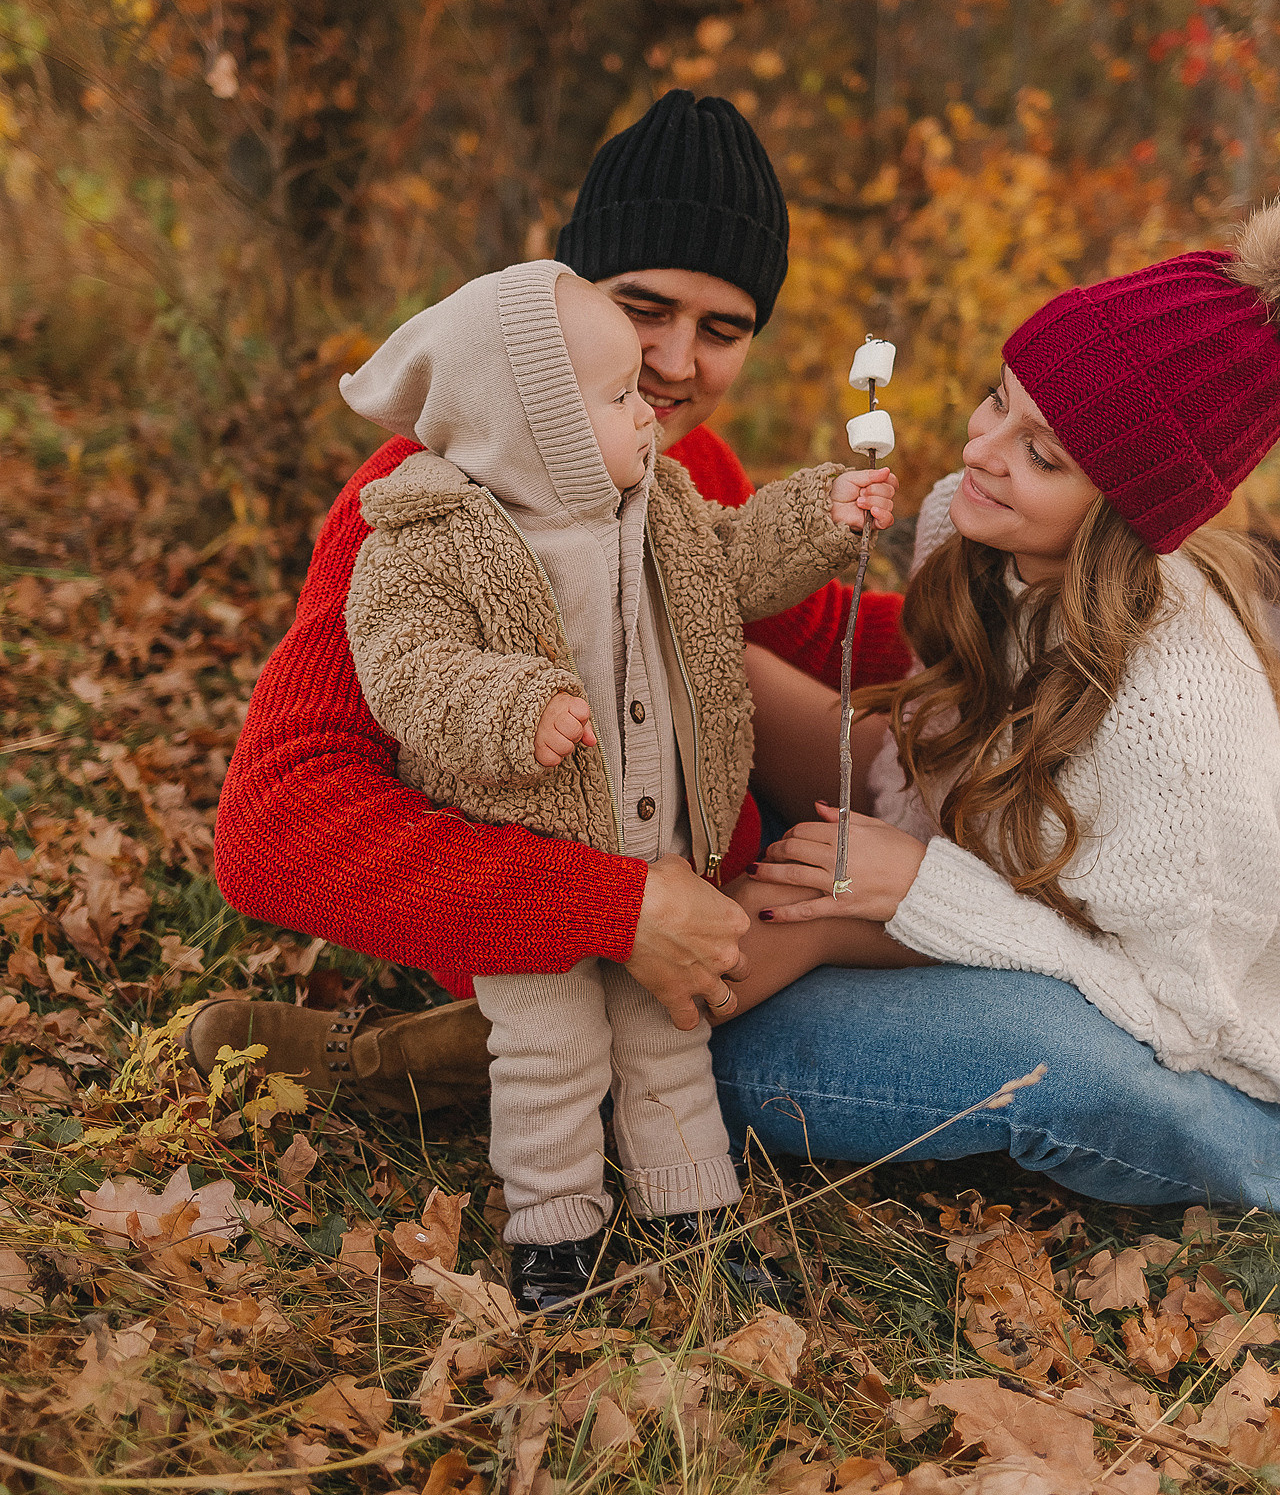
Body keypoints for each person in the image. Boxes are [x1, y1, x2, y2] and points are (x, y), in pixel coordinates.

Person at [201, 90, 910, 1111]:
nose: (674, 364)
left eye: (721, 329)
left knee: (782, 691)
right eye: (644, 309)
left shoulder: (677, 457)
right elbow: (272, 827)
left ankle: (473, 1062)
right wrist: (610, 911)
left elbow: (807, 629)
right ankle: (443, 1057)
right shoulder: (416, 498)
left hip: (703, 883)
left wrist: (1011, 610)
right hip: (542, 922)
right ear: (565, 292)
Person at [335, 260, 894, 1308]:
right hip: (529, 867)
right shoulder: (425, 541)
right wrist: (513, 707)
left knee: (667, 1040)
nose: (650, 413)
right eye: (621, 395)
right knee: (547, 1058)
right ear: (532, 421)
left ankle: (692, 1215)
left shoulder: (661, 505)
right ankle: (553, 1234)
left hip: (663, 856)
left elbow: (735, 561)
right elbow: (405, 668)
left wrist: (822, 513)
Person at [712, 206, 1280, 1211]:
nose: (983, 450)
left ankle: (594, 1060)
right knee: (718, 670)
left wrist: (907, 898)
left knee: (1038, 1059)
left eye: (1044, 455)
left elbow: (1178, 1016)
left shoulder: (1177, 717)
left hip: (1193, 1069)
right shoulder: (974, 528)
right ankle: (590, 993)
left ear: (1129, 509)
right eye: (996, 402)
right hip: (1005, 887)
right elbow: (932, 764)